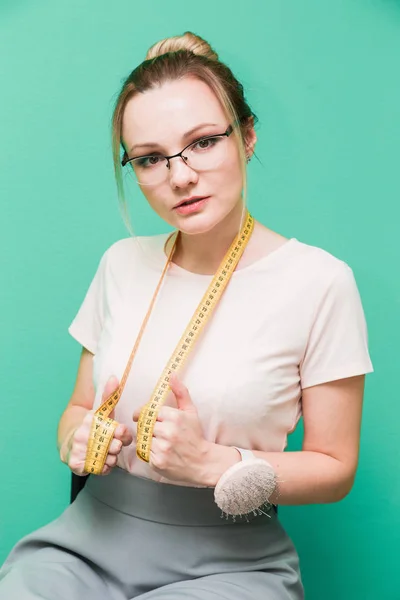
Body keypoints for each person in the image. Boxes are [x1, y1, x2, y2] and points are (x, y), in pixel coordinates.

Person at [0, 31, 373, 600]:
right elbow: (76, 408)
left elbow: (335, 467)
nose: (179, 177)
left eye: (202, 143)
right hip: (85, 543)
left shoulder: (320, 282)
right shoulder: (121, 263)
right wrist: (77, 439)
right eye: (150, 158)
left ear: (246, 137)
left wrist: (212, 463)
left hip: (230, 564)